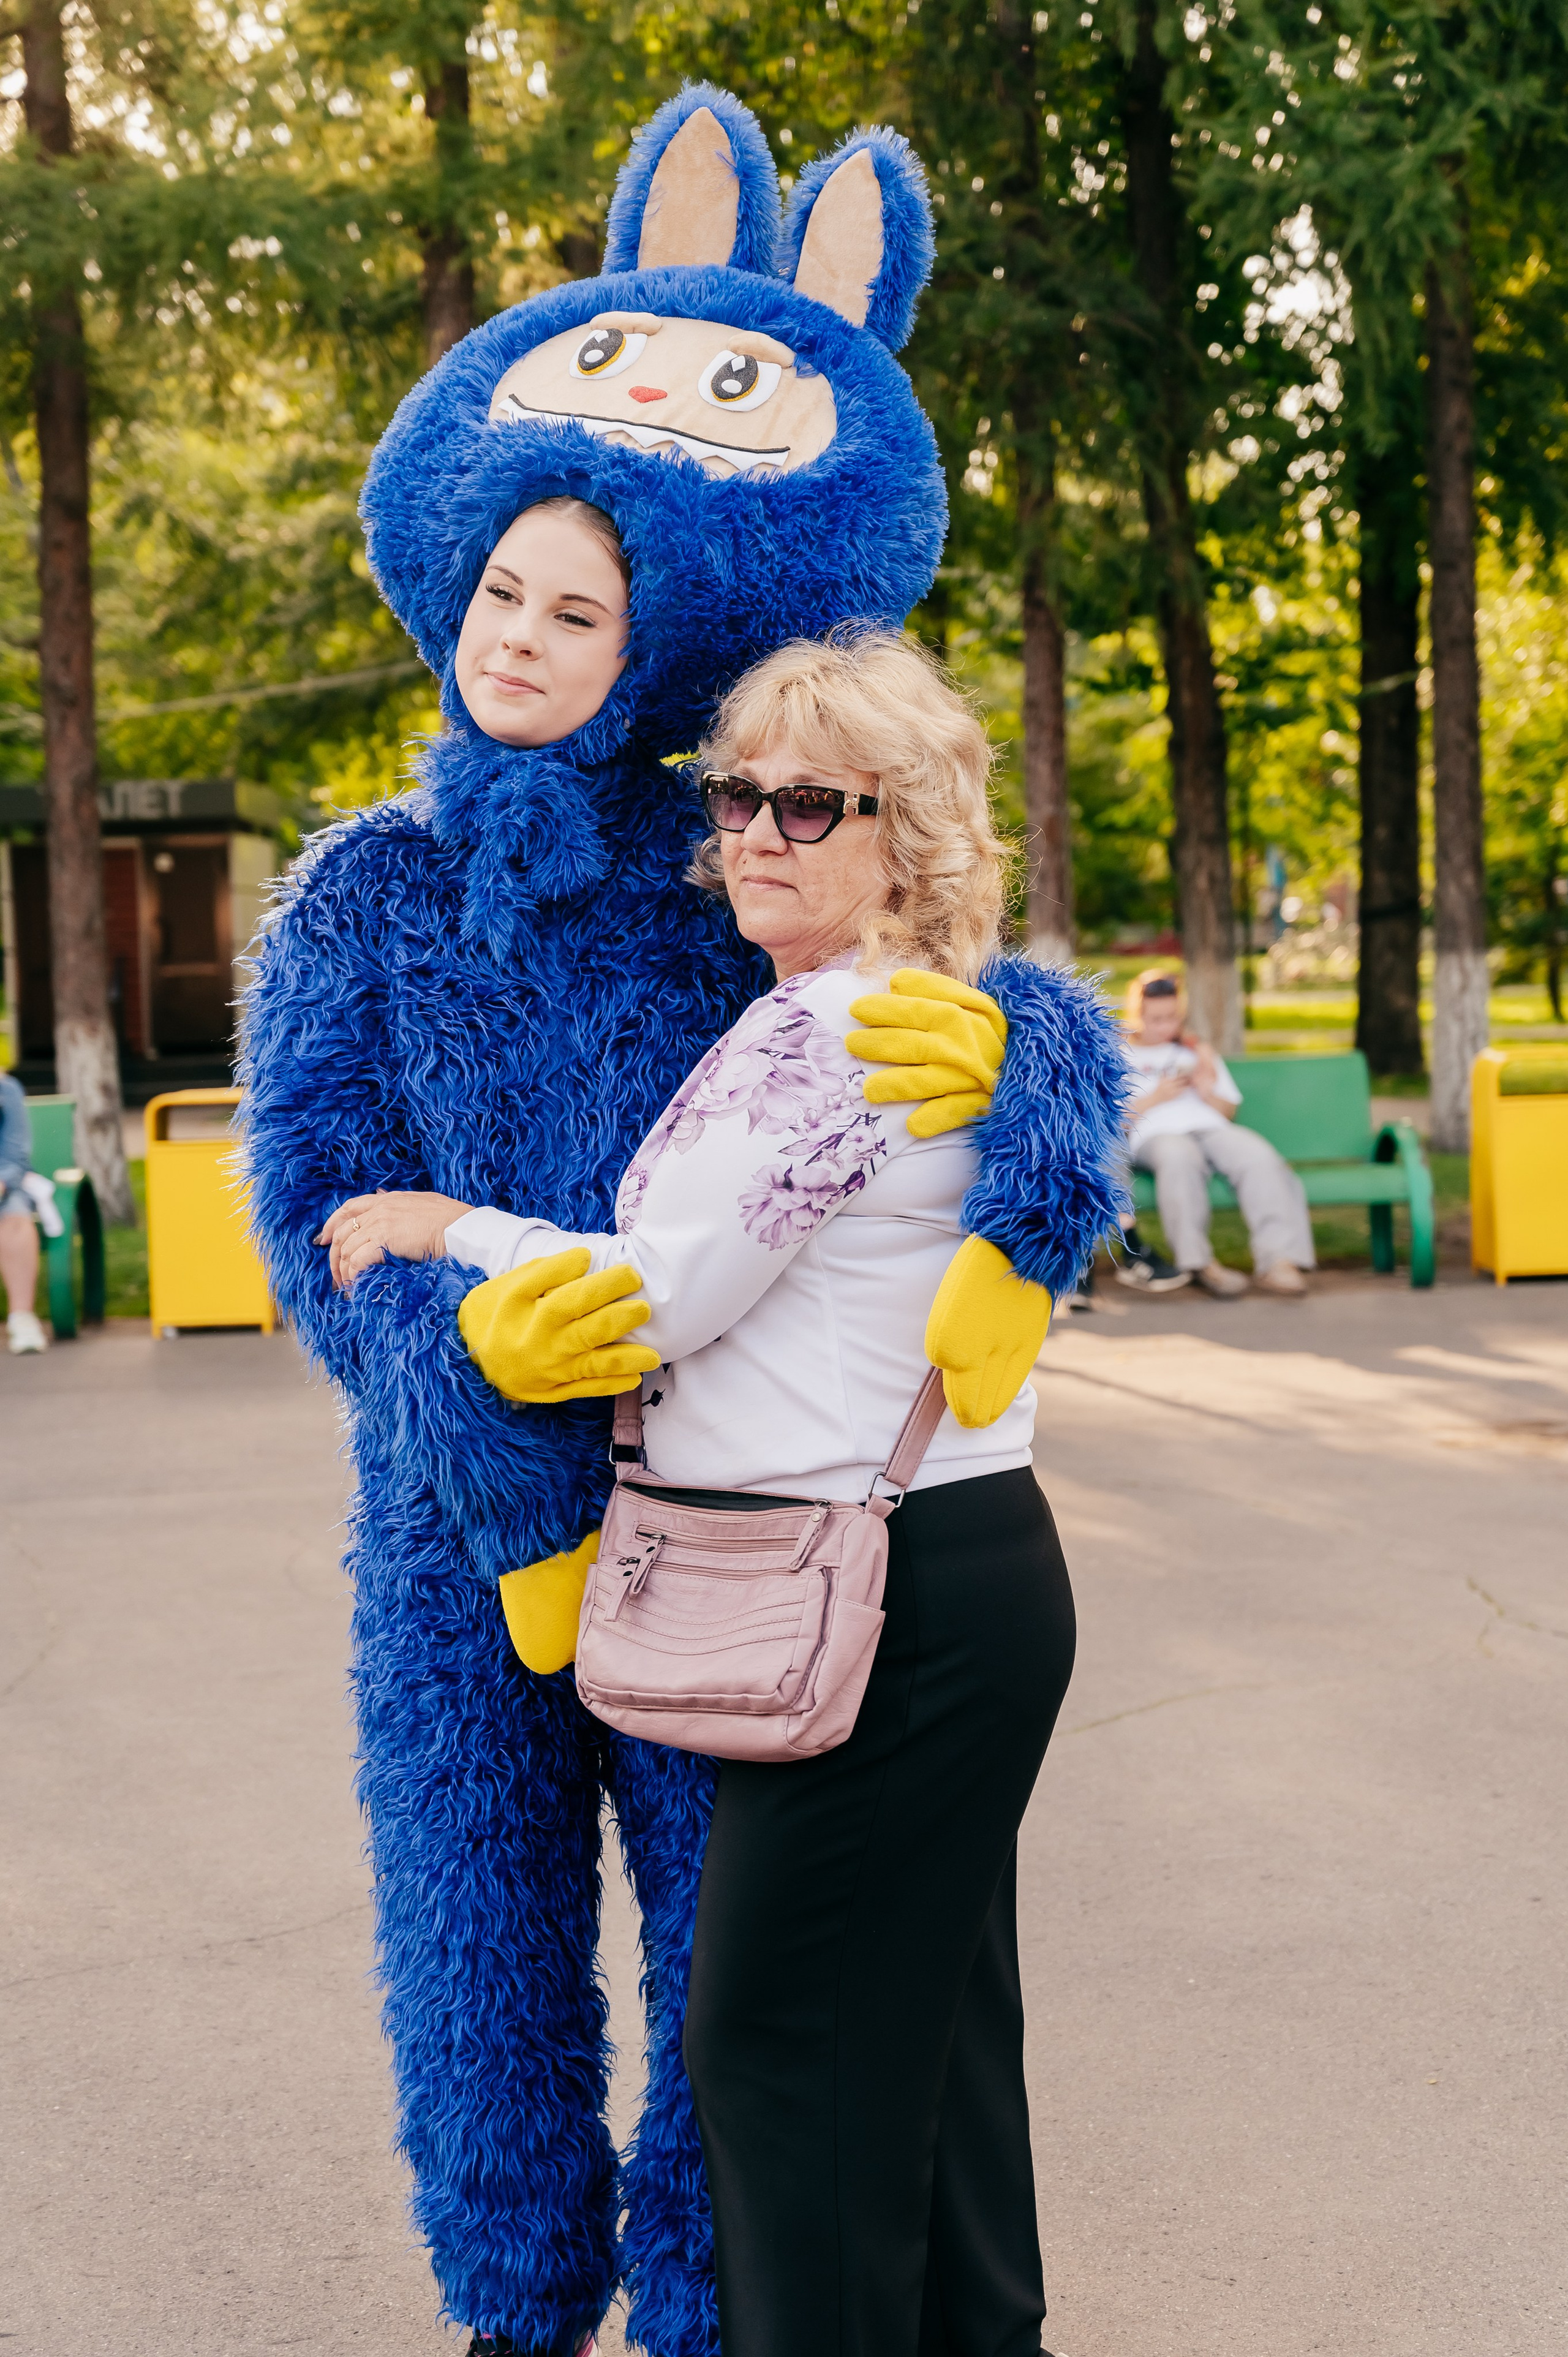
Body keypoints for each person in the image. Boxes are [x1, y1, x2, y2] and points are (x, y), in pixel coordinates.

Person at [244, 88, 1115, 2357]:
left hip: (715, 1507)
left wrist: (1035, 1081)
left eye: (579, 606)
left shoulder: (718, 842)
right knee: (476, 1949)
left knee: (744, 1964)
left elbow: (924, 983)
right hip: (447, 1522)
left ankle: (730, 2312)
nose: (527, 638)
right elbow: (310, 1212)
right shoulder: (365, 885)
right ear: (450, 579)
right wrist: (458, 1370)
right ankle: (514, 2310)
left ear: (653, 631)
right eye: (506, 593)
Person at [359, 632, 1125, 2357]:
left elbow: (650, 1303)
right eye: (735, 795)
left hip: (877, 1596)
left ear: (909, 835)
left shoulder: (839, 1033)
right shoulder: (841, 1016)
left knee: (780, 2044)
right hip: (940, 1575)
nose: (756, 833)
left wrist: (442, 1227)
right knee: (936, 2038)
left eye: (808, 801)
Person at [1118, 969, 1314, 1298]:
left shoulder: (1195, 1051)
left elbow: (1227, 1111)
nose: (1165, 1026)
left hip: (1209, 1126)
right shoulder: (1120, 1054)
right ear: (1137, 1014)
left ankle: (1279, 1260)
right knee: (1181, 1158)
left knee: (1258, 1157)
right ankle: (1198, 1264)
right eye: (1156, 1018)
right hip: (1156, 1134)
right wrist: (1156, 1097)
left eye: (1171, 1017)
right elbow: (1112, 1120)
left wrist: (1207, 1090)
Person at [0, 1072, 48, 1356]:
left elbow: (16, 1153)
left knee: (15, 1216)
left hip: (4, 1186)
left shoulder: (5, 1089)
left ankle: (22, 1319)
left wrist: (3, 1181)